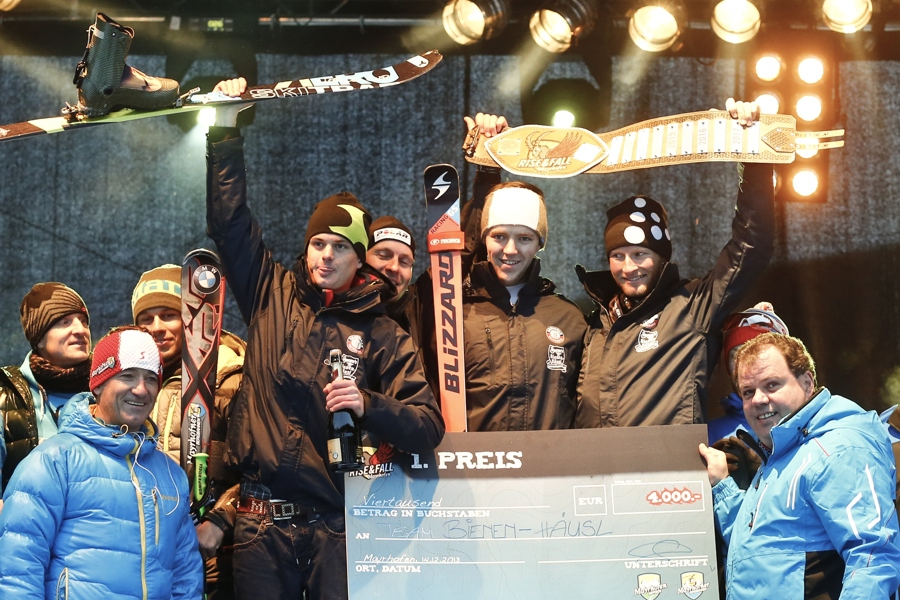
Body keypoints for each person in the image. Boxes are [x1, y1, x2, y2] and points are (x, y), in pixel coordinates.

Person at [207, 78, 444, 600]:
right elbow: (230, 224)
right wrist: (224, 133)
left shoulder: (383, 332)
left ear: (360, 258)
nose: (326, 256)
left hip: (337, 528)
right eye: (318, 243)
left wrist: (368, 404)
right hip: (260, 525)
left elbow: (428, 426)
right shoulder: (270, 293)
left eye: (340, 247)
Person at [575, 99, 774, 427]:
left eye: (640, 254)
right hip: (594, 461)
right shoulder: (596, 324)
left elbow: (752, 246)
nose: (628, 267)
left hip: (669, 462)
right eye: (618, 256)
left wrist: (753, 158)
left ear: (661, 258)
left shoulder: (692, 306)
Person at [0, 326, 204, 599]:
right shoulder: (54, 461)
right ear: (98, 383)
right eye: (127, 376)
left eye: (150, 379)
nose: (141, 389)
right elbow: (17, 572)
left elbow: (185, 577)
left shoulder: (170, 474)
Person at [418, 113, 587, 432]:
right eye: (499, 236)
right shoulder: (452, 311)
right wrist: (487, 169)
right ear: (484, 238)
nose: (510, 250)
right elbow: (458, 257)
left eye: (524, 238)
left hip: (549, 462)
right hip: (474, 463)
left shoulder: (568, 318)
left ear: (539, 243)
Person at [698, 333, 900, 598]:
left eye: (771, 385)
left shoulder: (837, 449)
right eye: (748, 392)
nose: (758, 399)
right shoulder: (784, 452)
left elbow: (873, 558)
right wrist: (723, 487)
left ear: (807, 382)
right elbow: (759, 547)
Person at [131, 263, 247, 600]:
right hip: (149, 558)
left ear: (190, 317)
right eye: (146, 319)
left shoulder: (230, 379)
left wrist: (221, 521)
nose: (157, 328)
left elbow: (265, 465)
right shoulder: (131, 385)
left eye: (168, 315)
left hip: (217, 560)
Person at [1, 283, 91, 495]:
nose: (80, 330)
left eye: (83, 321)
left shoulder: (107, 391)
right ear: (39, 338)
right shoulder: (6, 396)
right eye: (64, 322)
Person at [707, 304, 789, 445]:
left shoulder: (811, 425)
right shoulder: (710, 435)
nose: (745, 363)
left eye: (756, 353)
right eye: (736, 355)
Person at [366, 216, 421, 342]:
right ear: (360, 259)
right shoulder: (331, 309)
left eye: (404, 262)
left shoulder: (416, 319)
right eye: (383, 256)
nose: (394, 267)